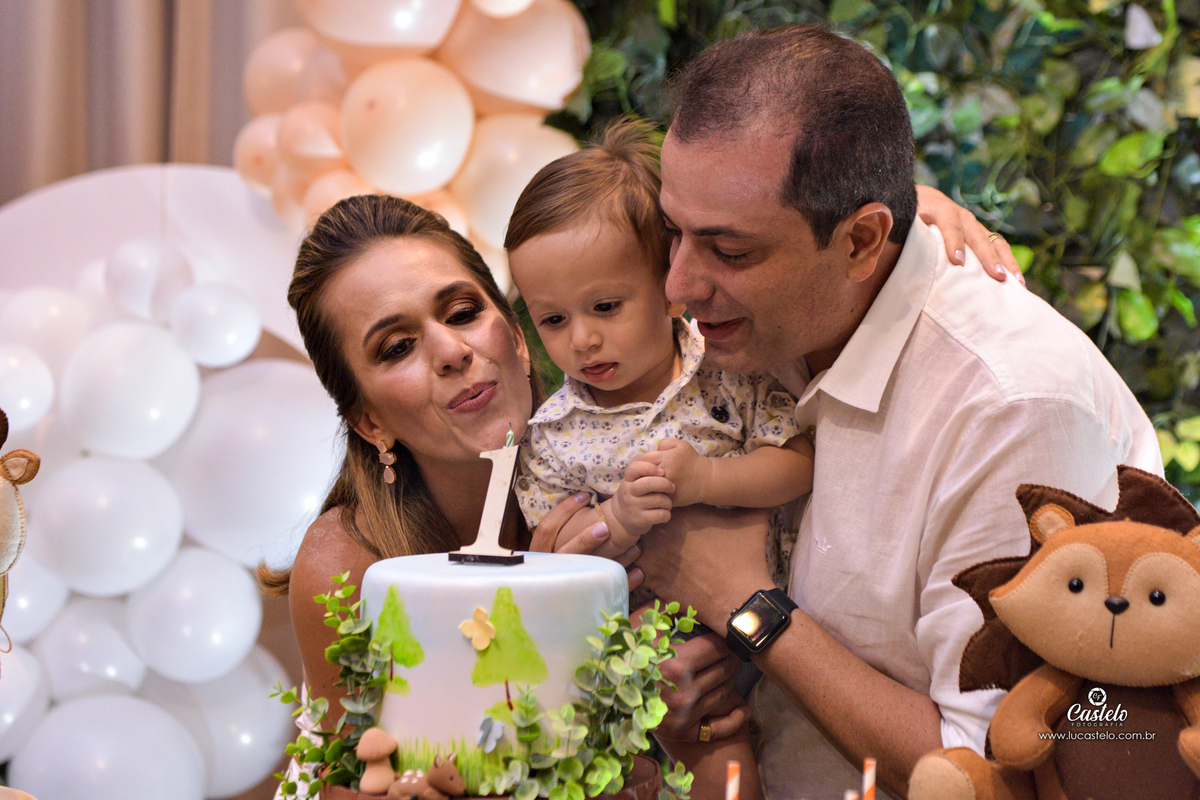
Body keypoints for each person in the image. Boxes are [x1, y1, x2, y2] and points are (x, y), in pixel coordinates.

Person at [631, 23, 1162, 800]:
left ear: (861, 241)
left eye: (730, 251)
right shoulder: (765, 317)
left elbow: (1002, 771)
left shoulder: (1011, 404)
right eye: (672, 231)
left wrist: (750, 612)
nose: (678, 285)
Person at [256, 194, 624, 794]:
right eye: (397, 347)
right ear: (369, 422)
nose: (453, 352)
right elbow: (339, 781)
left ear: (517, 336)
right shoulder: (345, 567)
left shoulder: (624, 478)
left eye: (461, 312)